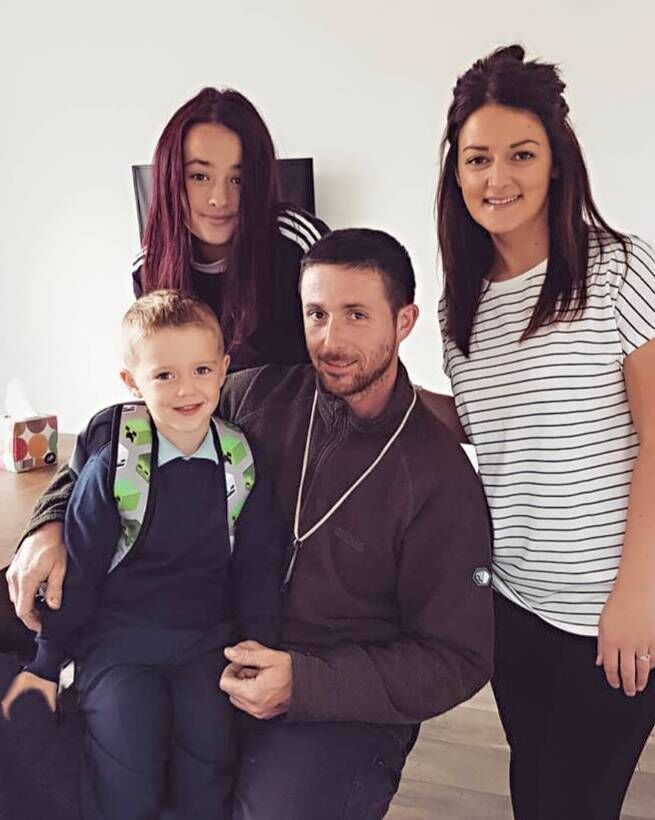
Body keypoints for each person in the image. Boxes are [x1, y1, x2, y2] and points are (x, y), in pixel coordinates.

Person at [5, 228, 494, 820]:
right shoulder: (258, 393)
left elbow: (457, 658)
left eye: (356, 315)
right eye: (316, 313)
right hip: (204, 634)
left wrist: (308, 685)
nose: (331, 339)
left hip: (332, 692)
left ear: (405, 320)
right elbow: (120, 434)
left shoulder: (439, 478)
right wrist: (49, 521)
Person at [432, 44, 655, 820]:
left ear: (556, 162)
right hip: (514, 603)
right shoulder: (458, 309)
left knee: (572, 802)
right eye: (478, 159)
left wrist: (636, 594)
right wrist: (392, 394)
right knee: (534, 790)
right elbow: (498, 424)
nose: (498, 179)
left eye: (519, 155)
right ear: (455, 173)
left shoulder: (621, 269)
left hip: (613, 610)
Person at [2, 291, 284, 820]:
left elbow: (257, 564)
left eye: (202, 369)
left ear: (224, 370)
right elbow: (79, 570)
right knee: (124, 764)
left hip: (208, 644)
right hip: (118, 644)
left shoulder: (241, 459)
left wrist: (257, 644)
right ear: (131, 383)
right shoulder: (116, 464)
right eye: (164, 376)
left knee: (208, 760)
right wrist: (46, 661)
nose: (186, 389)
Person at [133, 86, 329, 371]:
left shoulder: (298, 243)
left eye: (238, 179)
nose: (220, 199)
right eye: (199, 177)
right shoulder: (149, 268)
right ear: (170, 177)